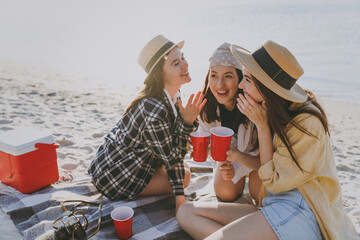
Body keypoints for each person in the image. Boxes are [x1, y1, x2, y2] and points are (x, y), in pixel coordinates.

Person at [177, 40, 358, 239]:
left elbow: (273, 182)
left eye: (246, 79)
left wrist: (262, 127)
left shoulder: (307, 123)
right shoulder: (269, 108)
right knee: (185, 212)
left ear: (266, 86)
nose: (240, 85)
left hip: (300, 209)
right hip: (271, 204)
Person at [88, 34, 206, 212]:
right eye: (176, 63)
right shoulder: (154, 110)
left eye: (183, 57)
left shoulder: (173, 95)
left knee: (185, 168)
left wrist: (189, 120)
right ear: (160, 74)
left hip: (117, 161)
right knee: (185, 175)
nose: (185, 64)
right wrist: (180, 200)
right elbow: (173, 159)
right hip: (114, 177)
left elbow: (174, 140)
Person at [198, 42, 261, 203]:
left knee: (260, 193)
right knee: (225, 192)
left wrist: (238, 165)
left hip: (257, 160)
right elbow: (212, 152)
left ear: (240, 78)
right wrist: (208, 151)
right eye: (214, 75)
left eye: (228, 76)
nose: (219, 85)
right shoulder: (207, 107)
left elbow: (266, 159)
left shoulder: (253, 105)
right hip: (232, 157)